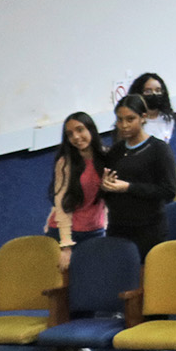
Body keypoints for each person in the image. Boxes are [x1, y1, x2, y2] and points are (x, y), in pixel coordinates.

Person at [102, 94, 176, 264]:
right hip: (118, 228)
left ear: (143, 118)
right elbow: (109, 194)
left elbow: (169, 191)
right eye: (120, 120)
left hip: (149, 230)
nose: (124, 125)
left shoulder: (159, 149)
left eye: (130, 119)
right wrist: (105, 187)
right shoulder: (115, 151)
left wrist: (129, 187)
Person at [47, 112, 107, 275]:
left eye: (80, 130)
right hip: (67, 232)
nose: (76, 137)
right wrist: (66, 246)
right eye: (70, 134)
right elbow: (61, 204)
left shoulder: (106, 156)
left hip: (95, 231)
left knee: (95, 278)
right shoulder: (65, 163)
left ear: (91, 130)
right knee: (68, 286)